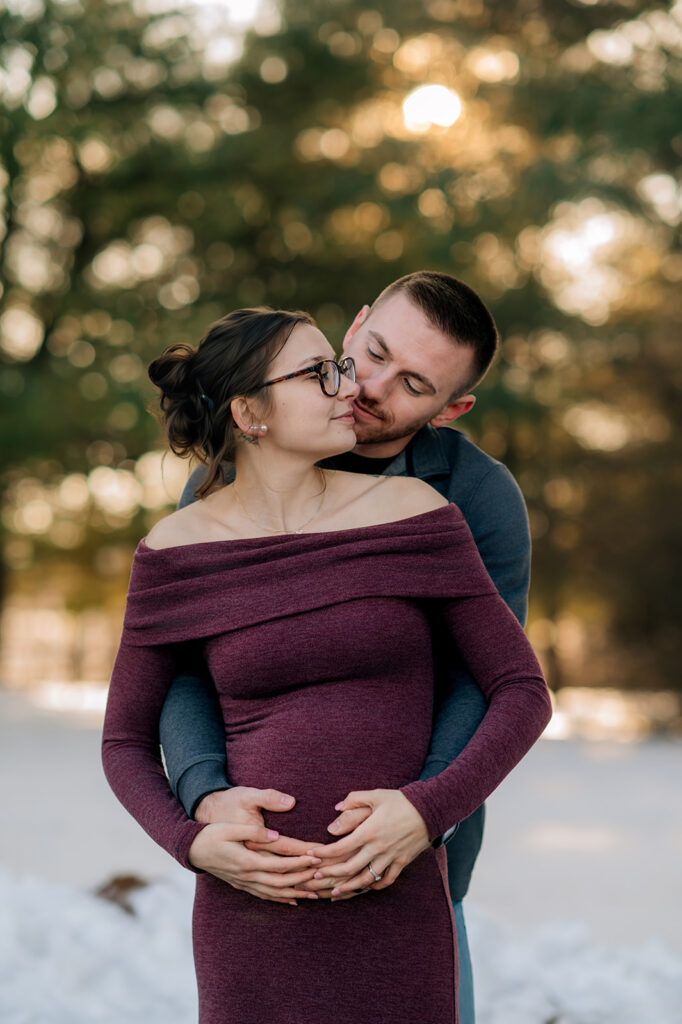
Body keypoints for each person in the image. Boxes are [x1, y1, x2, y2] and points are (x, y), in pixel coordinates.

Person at [102, 302, 552, 1024]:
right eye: (331, 370)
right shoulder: (179, 543)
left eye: (413, 383)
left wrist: (425, 812)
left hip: (399, 879)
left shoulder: (425, 507)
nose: (356, 387)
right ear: (250, 413)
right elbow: (135, 728)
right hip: (250, 907)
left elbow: (514, 686)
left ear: (450, 407)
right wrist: (197, 828)